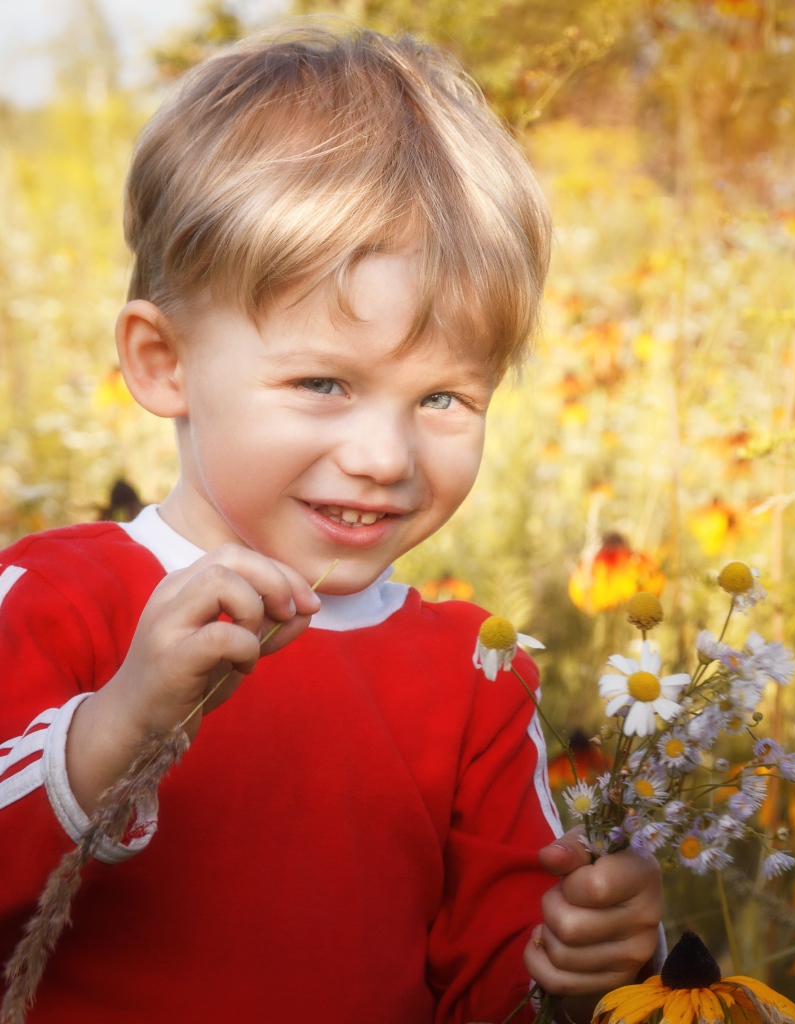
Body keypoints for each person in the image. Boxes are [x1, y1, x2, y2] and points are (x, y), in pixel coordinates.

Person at [0, 24, 663, 1024]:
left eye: (445, 397)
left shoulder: (474, 679)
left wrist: (595, 957)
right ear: (162, 362)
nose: (384, 456)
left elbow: (494, 987)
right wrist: (114, 727)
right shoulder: (57, 601)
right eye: (323, 383)